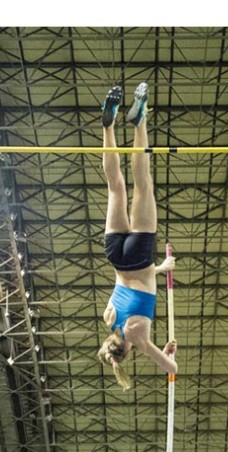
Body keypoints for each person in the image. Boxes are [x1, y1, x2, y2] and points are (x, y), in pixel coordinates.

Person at [96, 82, 178, 390]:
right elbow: (128, 284)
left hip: (141, 254)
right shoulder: (110, 317)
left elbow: (171, 368)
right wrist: (161, 270)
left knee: (143, 185)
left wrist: (167, 355)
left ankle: (140, 120)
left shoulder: (138, 337)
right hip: (116, 254)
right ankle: (108, 126)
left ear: (126, 353)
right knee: (115, 186)